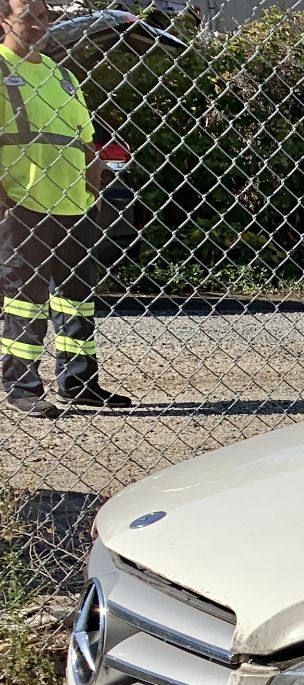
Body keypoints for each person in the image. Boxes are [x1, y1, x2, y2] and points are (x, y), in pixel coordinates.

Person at [0, 0, 129, 417]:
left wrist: (93, 188)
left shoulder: (63, 75)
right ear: (4, 21)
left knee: (77, 299)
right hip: (22, 204)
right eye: (28, 17)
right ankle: (22, 386)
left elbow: (85, 140)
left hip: (74, 204)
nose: (39, 25)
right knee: (25, 298)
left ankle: (79, 382)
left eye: (44, 17)